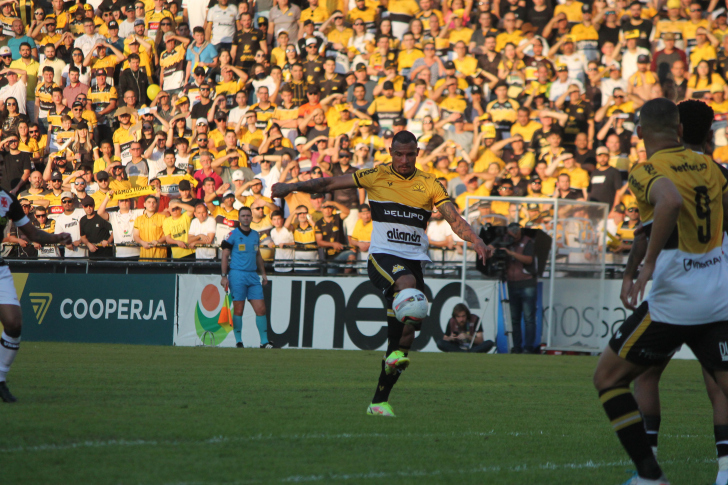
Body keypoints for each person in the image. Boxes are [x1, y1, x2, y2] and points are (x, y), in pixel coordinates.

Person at [271, 130, 490, 417]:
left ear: (417, 154)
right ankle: (392, 356)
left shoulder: (430, 184)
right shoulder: (375, 175)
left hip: (414, 262)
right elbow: (328, 183)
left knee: (405, 339)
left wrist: (475, 239)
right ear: (390, 152)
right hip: (383, 258)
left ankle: (378, 401)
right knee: (408, 287)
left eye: (410, 154)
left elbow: (453, 219)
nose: (404, 160)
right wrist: (292, 186)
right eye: (399, 154)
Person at [592, 98, 728, 485]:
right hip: (718, 298)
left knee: (608, 378)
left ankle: (649, 475)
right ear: (680, 130)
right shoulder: (711, 167)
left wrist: (646, 264)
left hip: (674, 301)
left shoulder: (646, 170)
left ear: (638, 133)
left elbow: (668, 201)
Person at [0, 178, 72, 402]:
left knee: (14, 323)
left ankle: (0, 379)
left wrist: (55, 238)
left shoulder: (7, 199)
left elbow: (32, 233)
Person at [220, 207, 275, 349]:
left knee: (261, 309)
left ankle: (264, 342)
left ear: (251, 218)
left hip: (252, 275)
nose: (246, 218)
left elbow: (258, 256)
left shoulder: (256, 235)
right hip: (237, 274)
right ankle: (239, 341)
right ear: (239, 218)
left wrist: (263, 274)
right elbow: (225, 256)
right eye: (243, 215)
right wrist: (224, 276)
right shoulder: (232, 235)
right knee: (239, 310)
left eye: (248, 216)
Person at [487, 222, 538, 354]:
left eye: (514, 235)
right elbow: (490, 246)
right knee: (514, 318)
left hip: (527, 283)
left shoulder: (528, 242)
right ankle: (517, 346)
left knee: (528, 318)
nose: (512, 238)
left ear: (519, 233)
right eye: (510, 235)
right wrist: (492, 249)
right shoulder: (505, 240)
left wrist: (511, 253)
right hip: (511, 283)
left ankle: (529, 347)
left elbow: (529, 260)